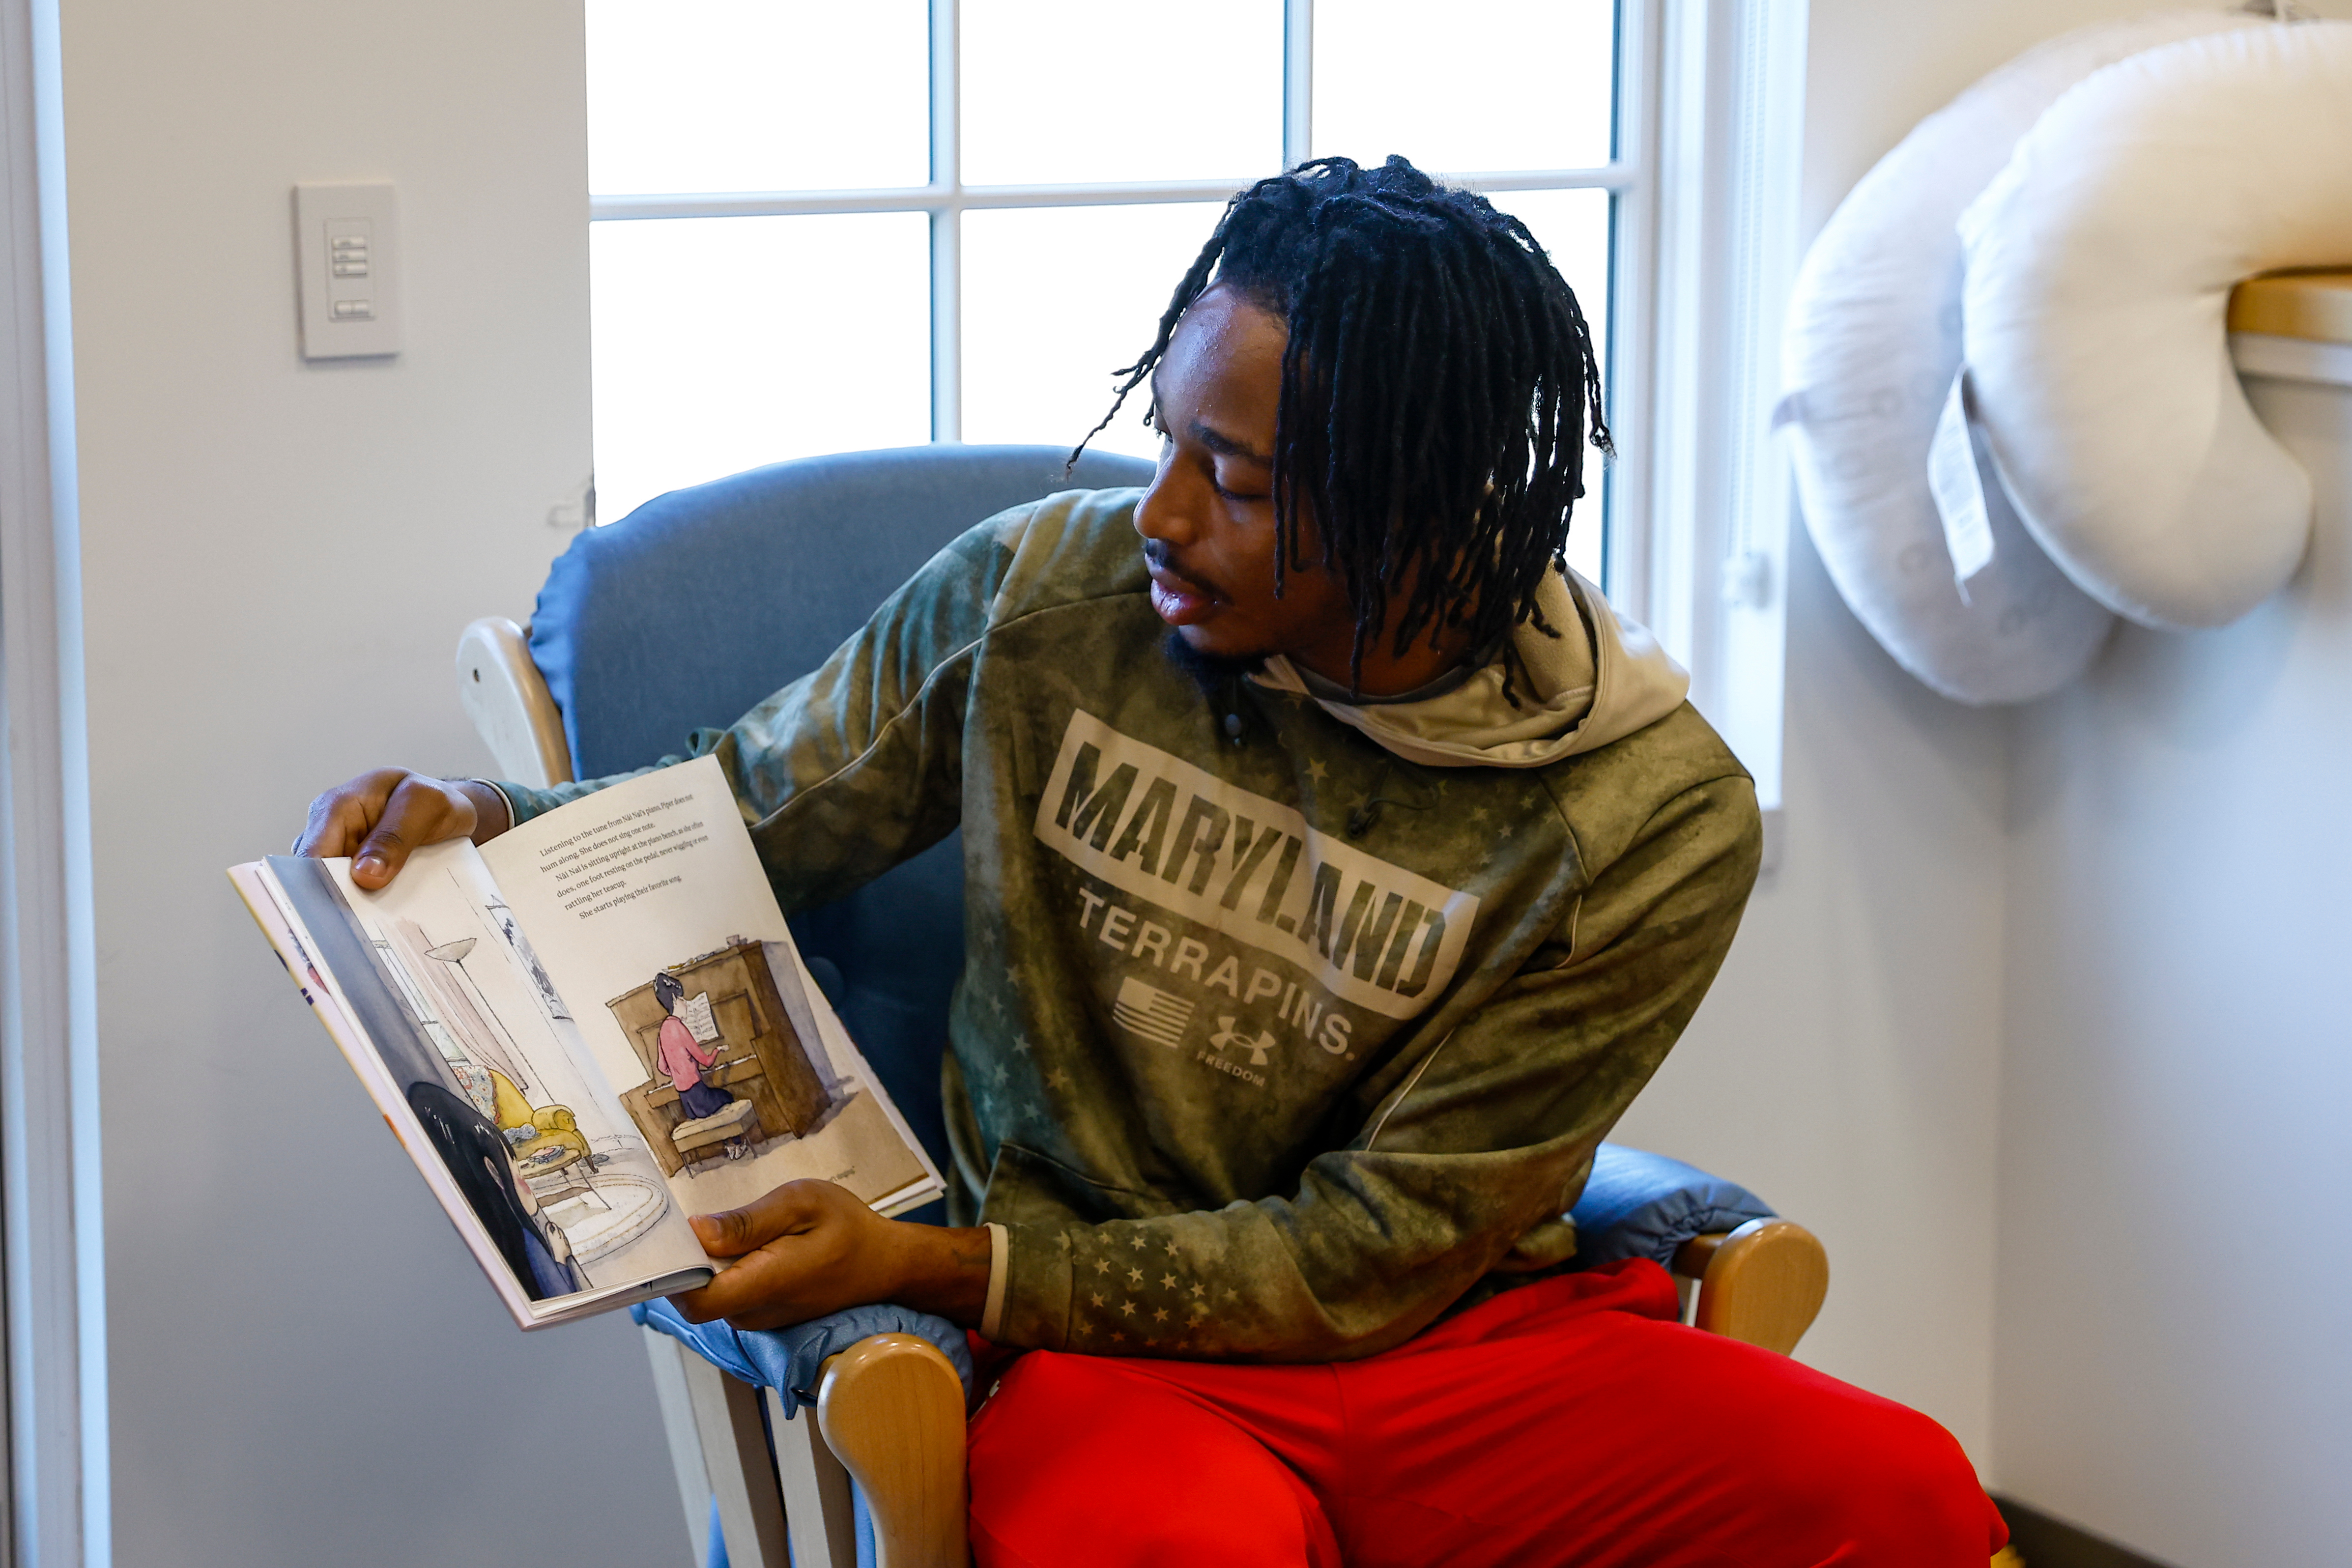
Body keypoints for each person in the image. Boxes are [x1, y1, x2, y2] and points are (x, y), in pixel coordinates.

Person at [299, 157, 2006, 1564]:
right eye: (1169, 434)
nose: (1163, 514)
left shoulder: (1644, 814)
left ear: (1422, 508)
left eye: (1238, 480)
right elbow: (744, 812)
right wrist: (482, 821)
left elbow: (1374, 1253)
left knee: (1903, 1500)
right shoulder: (1052, 599)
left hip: (1451, 1347)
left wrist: (930, 1266)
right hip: (1109, 1355)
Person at [653, 970, 749, 1160]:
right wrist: (717, 1050)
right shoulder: (680, 1027)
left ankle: (728, 1146)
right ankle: (736, 1145)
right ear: (674, 999)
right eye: (682, 999)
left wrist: (678, 1071)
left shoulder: (663, 1029)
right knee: (727, 1096)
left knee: (719, 1099)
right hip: (701, 1098)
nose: (686, 1003)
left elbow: (661, 1067)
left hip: (688, 1103)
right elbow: (706, 1062)